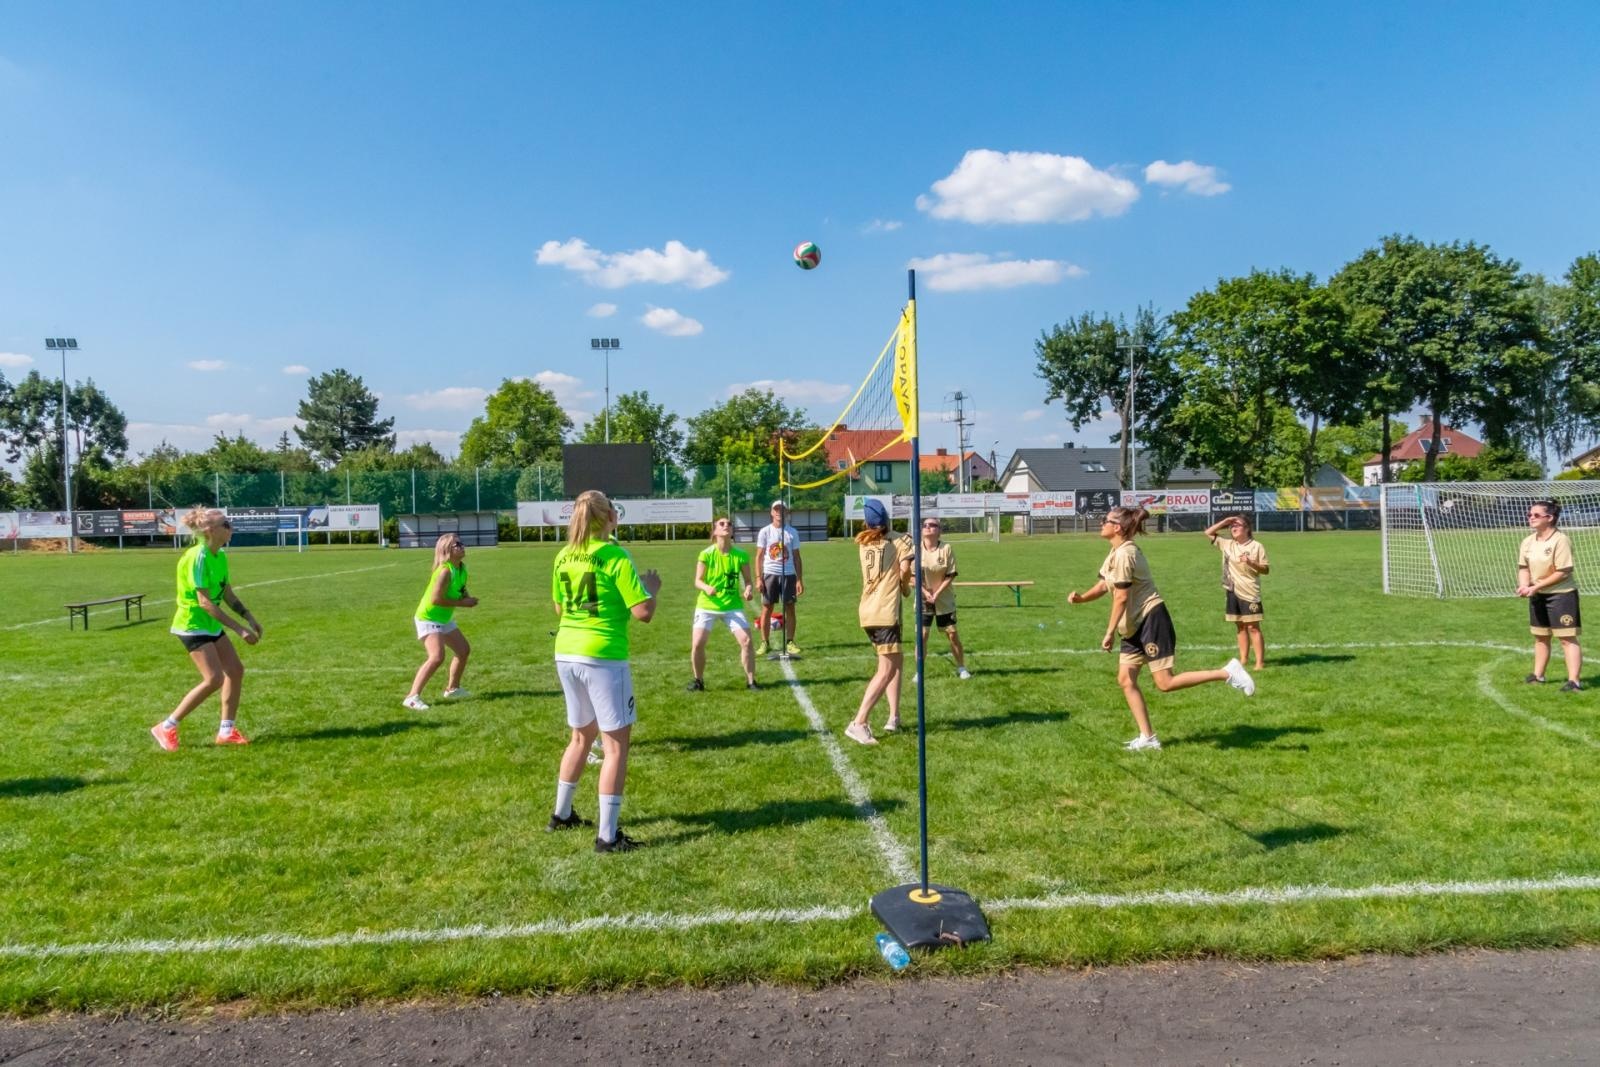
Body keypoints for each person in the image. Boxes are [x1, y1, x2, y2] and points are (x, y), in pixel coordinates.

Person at [1068, 506, 1255, 751]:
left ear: (1118, 527)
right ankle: (1148, 737)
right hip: (1133, 626)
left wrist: (1109, 631)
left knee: (1165, 683)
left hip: (1150, 620)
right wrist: (1082, 598)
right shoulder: (1115, 552)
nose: (1101, 523)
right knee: (1126, 679)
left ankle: (1227, 672)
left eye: (1106, 520)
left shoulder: (1126, 554)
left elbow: (1121, 597)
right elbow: (1105, 585)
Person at [547, 489, 662, 852]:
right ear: (608, 516)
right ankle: (607, 836)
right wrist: (651, 589)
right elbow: (643, 612)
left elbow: (558, 607)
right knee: (615, 748)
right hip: (602, 656)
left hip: (566, 651)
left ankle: (561, 814)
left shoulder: (564, 555)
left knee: (580, 738)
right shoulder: (614, 555)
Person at [150, 506, 262, 750]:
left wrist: (249, 616)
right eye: (226, 524)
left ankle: (226, 731)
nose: (231, 528)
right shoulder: (197, 556)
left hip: (209, 624)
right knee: (213, 679)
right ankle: (167, 726)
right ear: (210, 530)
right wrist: (239, 629)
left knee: (235, 670)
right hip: (192, 624)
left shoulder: (220, 555)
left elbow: (227, 592)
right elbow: (205, 603)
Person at [845, 498, 912, 745]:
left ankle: (894, 716)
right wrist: (905, 588)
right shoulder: (902, 540)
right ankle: (859, 722)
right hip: (885, 612)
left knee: (894, 662)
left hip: (868, 611)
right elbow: (905, 571)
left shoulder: (864, 542)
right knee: (886, 670)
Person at [403, 533, 478, 710]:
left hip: (443, 618)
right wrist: (463, 604)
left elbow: (460, 588)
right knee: (437, 657)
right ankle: (412, 697)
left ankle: (453, 689)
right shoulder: (444, 571)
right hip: (429, 617)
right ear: (446, 550)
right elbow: (435, 600)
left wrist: (467, 597)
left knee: (463, 650)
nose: (461, 546)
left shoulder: (461, 568)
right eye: (456, 545)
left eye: (461, 543)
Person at [1517, 499, 1582, 691]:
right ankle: (1538, 676)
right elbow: (1523, 567)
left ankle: (1574, 681)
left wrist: (1535, 587)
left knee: (1566, 638)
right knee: (1540, 636)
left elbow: (1563, 571)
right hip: (1537, 594)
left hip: (1561, 595)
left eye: (1536, 515)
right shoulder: (1527, 541)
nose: (1531, 518)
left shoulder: (1560, 540)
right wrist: (1524, 585)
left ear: (1550, 518)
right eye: (1529, 514)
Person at [688, 517, 759, 691]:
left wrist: (749, 590)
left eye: (729, 524)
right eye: (722, 524)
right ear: (715, 531)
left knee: (747, 641)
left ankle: (751, 682)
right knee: (697, 644)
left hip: (732, 606)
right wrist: (707, 587)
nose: (726, 526)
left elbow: (748, 581)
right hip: (707, 605)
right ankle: (698, 681)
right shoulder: (706, 554)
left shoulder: (740, 555)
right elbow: (697, 581)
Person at [1204, 514, 1269, 671]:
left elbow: (1266, 569)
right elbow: (1208, 533)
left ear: (1247, 528)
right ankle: (1244, 659)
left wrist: (1251, 562)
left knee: (1253, 627)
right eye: (1231, 526)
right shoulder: (1227, 544)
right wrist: (1225, 521)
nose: (1233, 528)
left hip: (1250, 591)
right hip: (1232, 591)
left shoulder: (1256, 546)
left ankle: (1260, 662)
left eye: (1237, 525)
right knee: (1239, 626)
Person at [917, 517, 971, 680]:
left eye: (932, 525)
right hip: (924, 599)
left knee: (952, 634)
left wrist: (937, 593)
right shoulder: (917, 549)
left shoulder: (946, 548)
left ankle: (961, 668)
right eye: (925, 525)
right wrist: (926, 593)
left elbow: (950, 574)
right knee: (923, 635)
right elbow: (913, 577)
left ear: (939, 530)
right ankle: (919, 672)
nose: (928, 528)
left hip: (944, 598)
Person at [755, 500, 804, 658]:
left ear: (786, 513)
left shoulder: (792, 532)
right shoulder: (765, 532)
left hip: (788, 574)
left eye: (782, 510)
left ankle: (790, 641)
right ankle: (764, 642)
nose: (778, 512)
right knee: (767, 608)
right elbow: (759, 556)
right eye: (776, 510)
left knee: (790, 608)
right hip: (770, 574)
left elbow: (796, 557)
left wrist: (799, 579)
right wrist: (759, 578)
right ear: (771, 512)